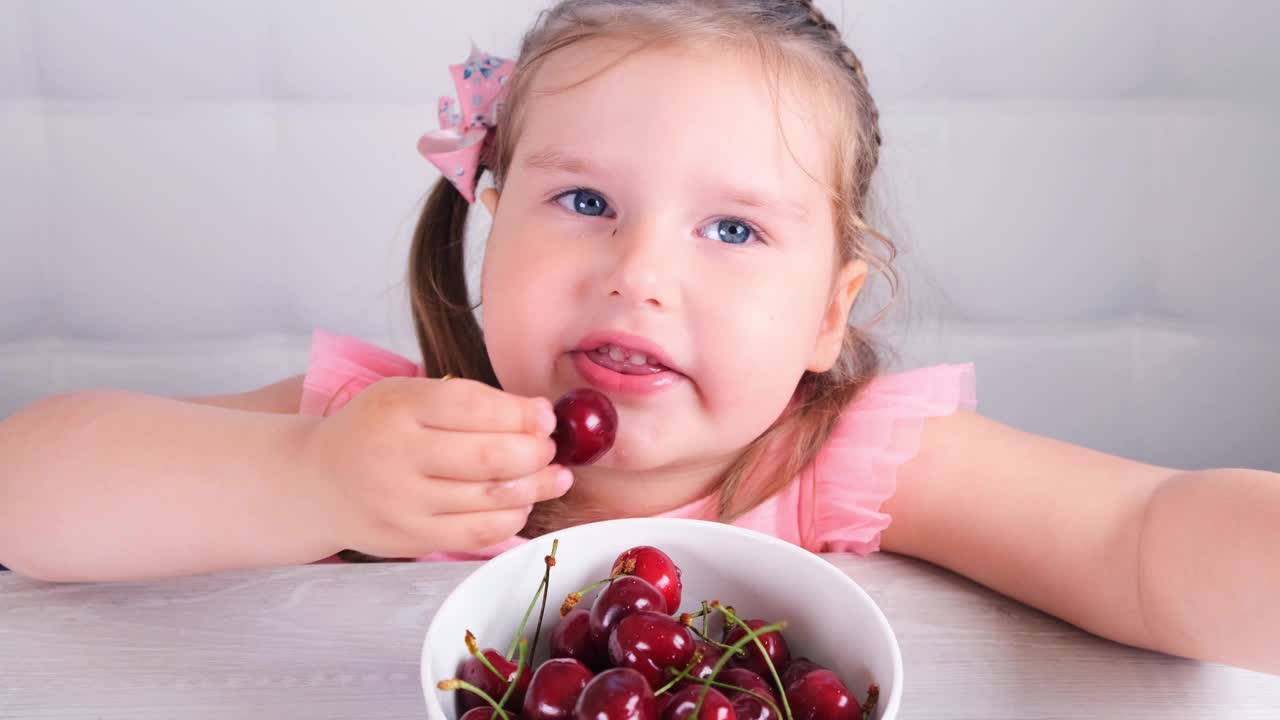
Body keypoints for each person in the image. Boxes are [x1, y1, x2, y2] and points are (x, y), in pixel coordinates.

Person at [1, 0, 1276, 676]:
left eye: (730, 231)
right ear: (488, 228)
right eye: (584, 203)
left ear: (827, 317)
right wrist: (302, 479)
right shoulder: (391, 436)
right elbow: (26, 498)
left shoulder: (834, 461)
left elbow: (1136, 539)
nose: (637, 275)